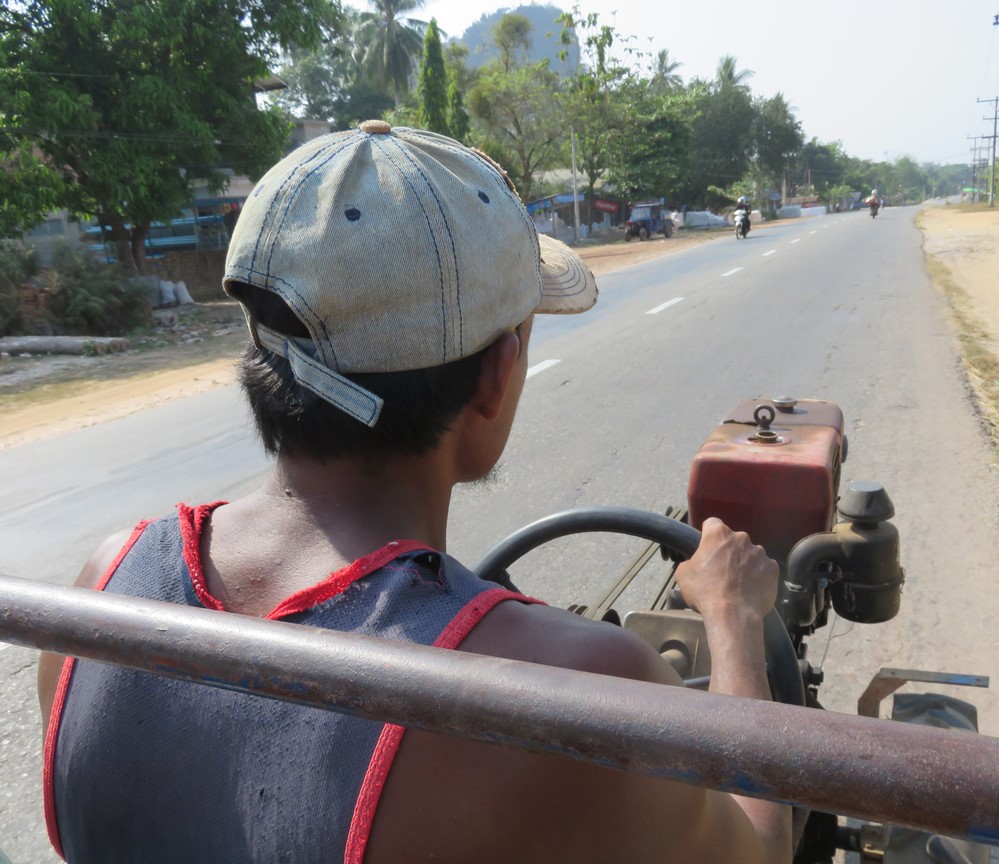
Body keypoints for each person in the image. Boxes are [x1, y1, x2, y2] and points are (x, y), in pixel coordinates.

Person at [38, 121, 791, 863]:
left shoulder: (103, 587)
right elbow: (759, 847)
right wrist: (732, 620)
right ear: (497, 375)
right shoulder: (577, 696)